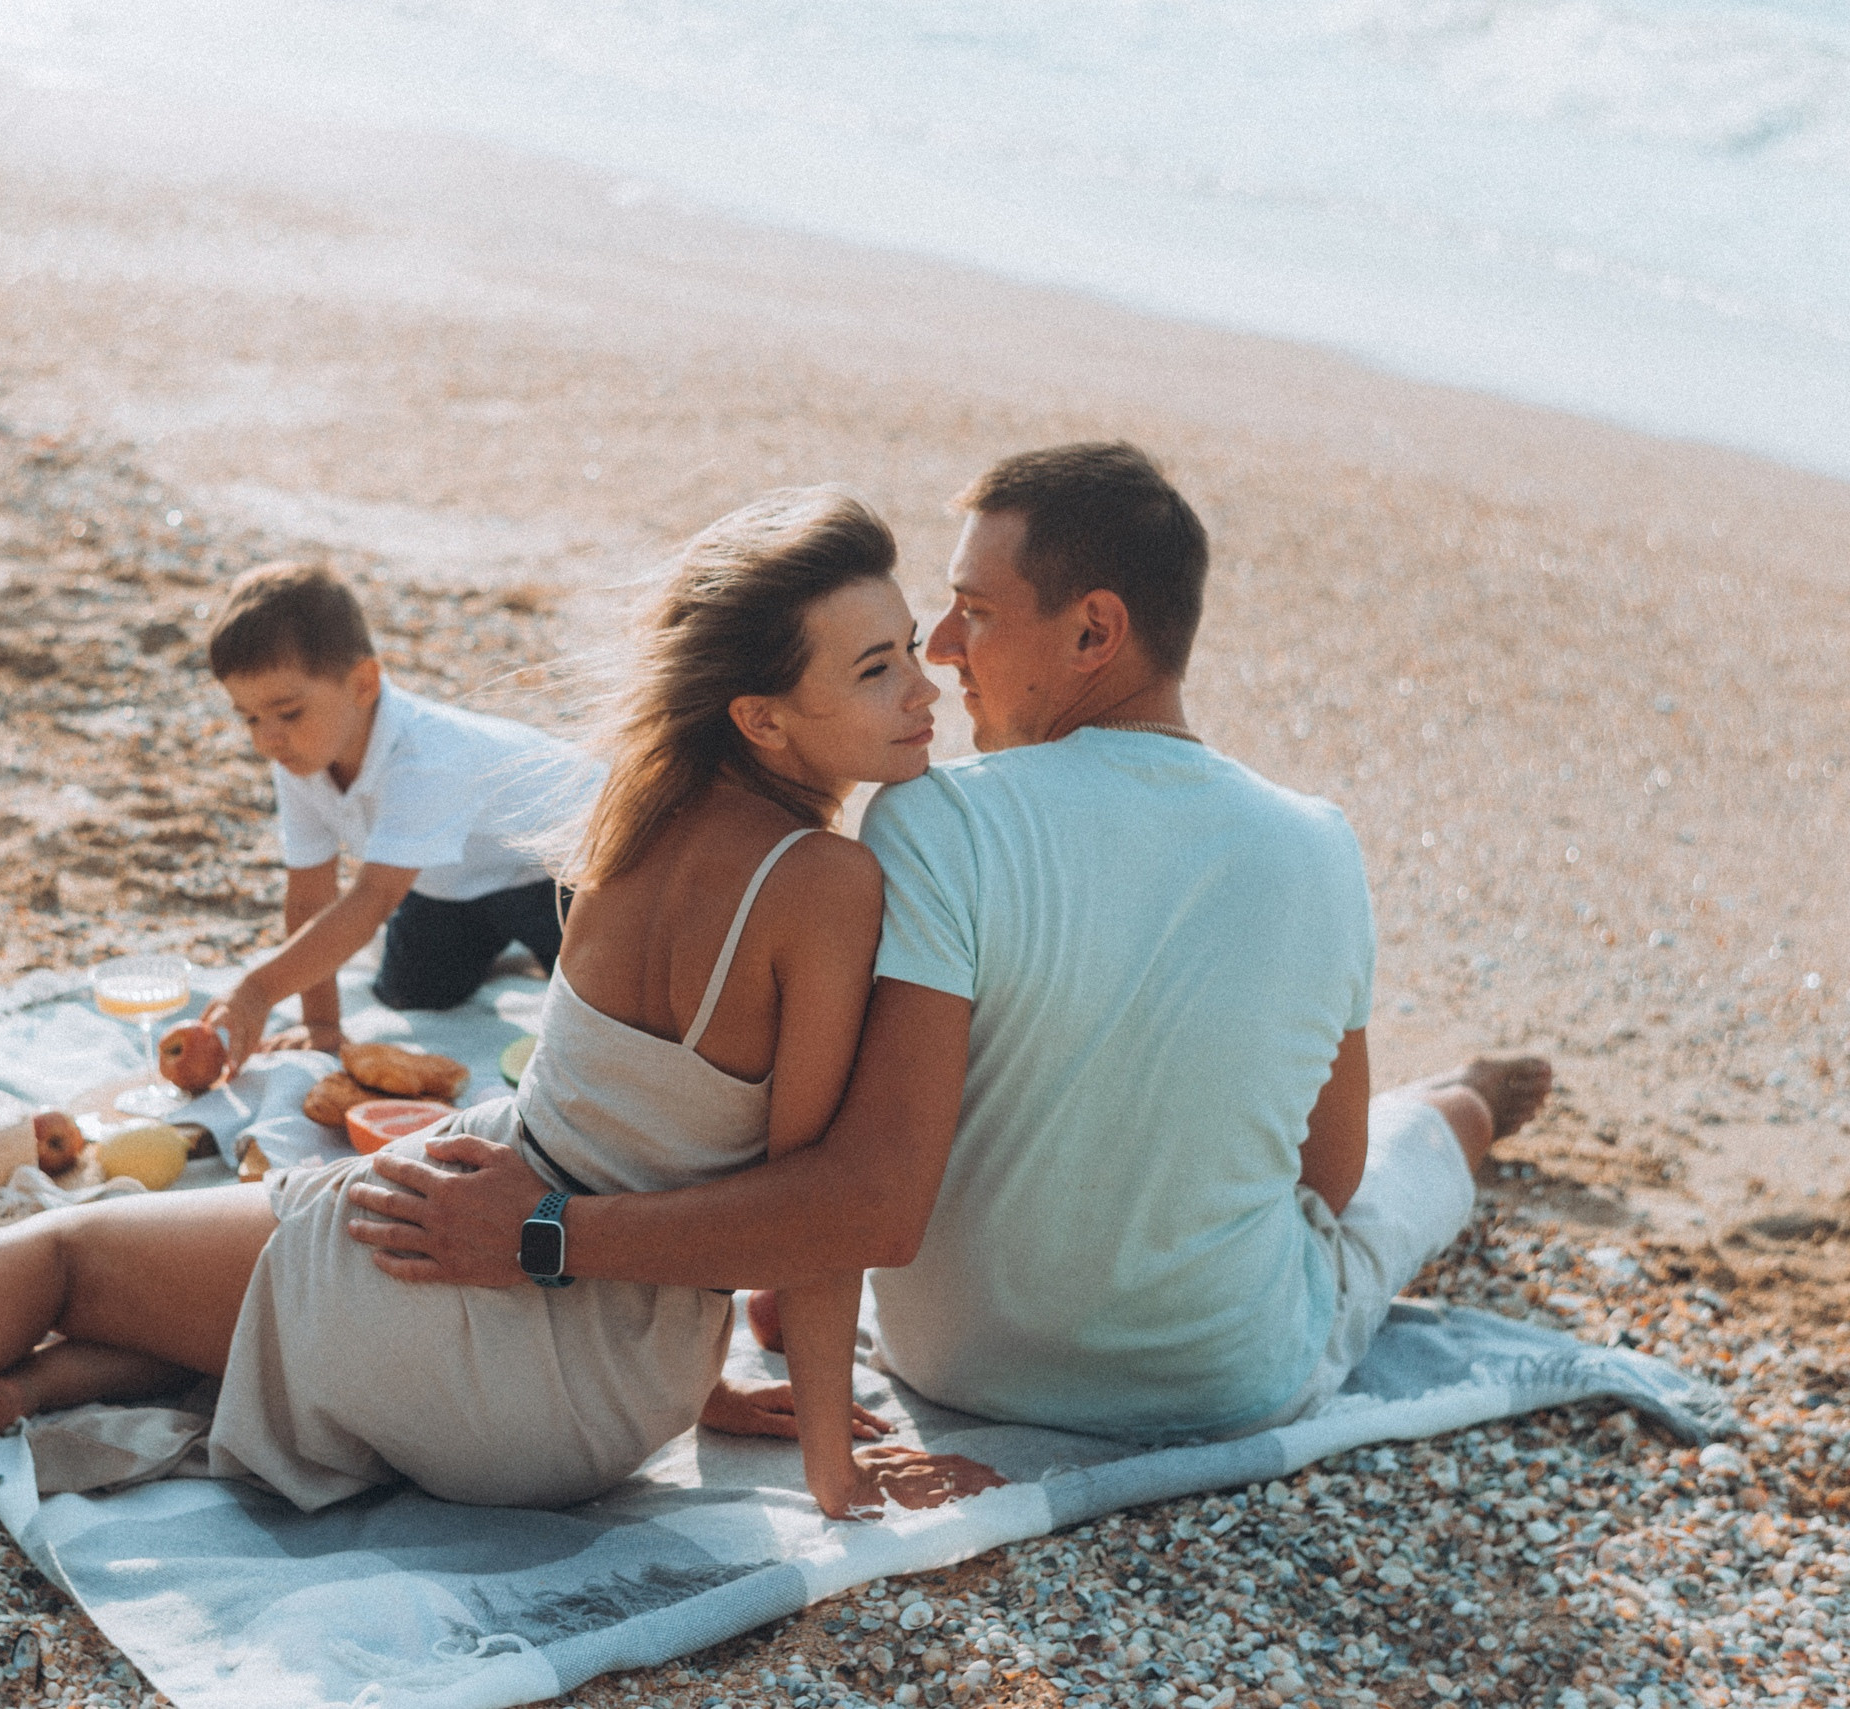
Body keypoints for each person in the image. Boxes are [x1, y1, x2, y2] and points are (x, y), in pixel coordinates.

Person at [0, 490, 998, 1519]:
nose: (921, 688)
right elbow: (781, 1197)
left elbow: (777, 1200)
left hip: (501, 1311)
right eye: (878, 668)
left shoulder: (630, 821)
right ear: (762, 715)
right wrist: (801, 1445)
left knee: (65, 1249)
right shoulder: (826, 884)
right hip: (612, 1389)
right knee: (176, 1301)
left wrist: (781, 1423)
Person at [348, 443, 1553, 1445]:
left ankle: (1458, 1101)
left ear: (1094, 631)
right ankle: (1466, 1108)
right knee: (1387, 1180)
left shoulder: (939, 820)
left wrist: (552, 1234)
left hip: (951, 1362)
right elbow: (1326, 1181)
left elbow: (861, 1169)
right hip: (1227, 1380)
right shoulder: (1320, 845)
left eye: (973, 613)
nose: (943, 653)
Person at [197, 560, 598, 1071]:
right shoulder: (299, 757)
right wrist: (320, 1023)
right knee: (409, 993)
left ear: (363, 684)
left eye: (288, 712)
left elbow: (371, 901)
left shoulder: (425, 756)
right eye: (250, 717)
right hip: (454, 882)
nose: (267, 738)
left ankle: (547, 951)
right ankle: (510, 949)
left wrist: (257, 990)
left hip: (565, 869)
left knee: (593, 1010)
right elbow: (310, 897)